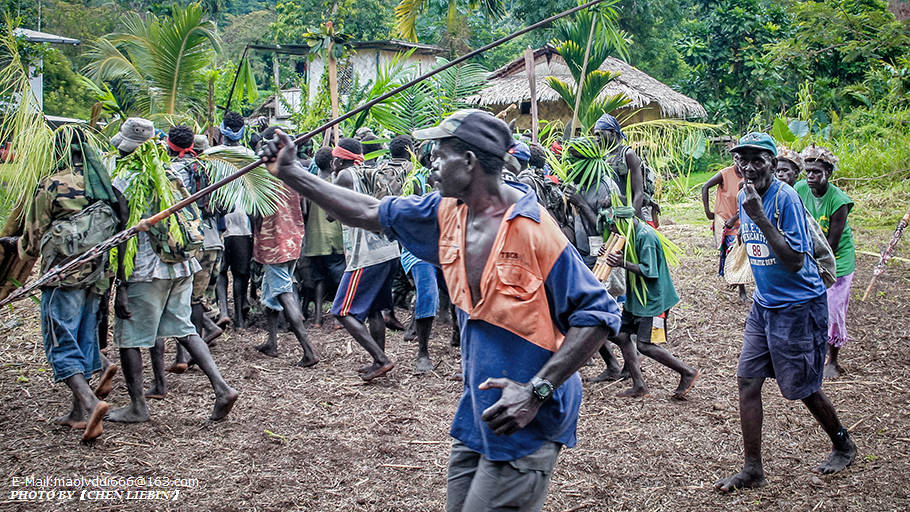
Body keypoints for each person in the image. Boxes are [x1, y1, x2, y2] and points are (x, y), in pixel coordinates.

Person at [259, 109, 621, 512]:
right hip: (477, 415)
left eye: (439, 154)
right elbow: (364, 211)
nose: (430, 164)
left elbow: (599, 313)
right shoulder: (445, 212)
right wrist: (290, 171)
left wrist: (536, 391)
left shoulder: (535, 230)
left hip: (525, 419)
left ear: (468, 162)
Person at [715, 133, 856, 493]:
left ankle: (843, 443)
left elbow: (794, 262)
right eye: (741, 159)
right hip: (765, 306)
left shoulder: (785, 198)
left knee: (802, 388)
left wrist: (760, 218)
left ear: (772, 163)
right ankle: (752, 469)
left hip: (798, 307)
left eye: (757, 159)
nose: (747, 167)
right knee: (747, 381)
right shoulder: (747, 195)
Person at [109, 119, 238, 423]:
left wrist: (122, 285)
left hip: (147, 269)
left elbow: (125, 232)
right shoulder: (169, 172)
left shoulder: (126, 179)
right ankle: (222, 388)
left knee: (129, 337)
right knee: (184, 328)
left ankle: (137, 406)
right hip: (182, 264)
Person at [1, 127, 119, 441]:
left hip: (61, 275)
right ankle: (78, 412)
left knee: (60, 340)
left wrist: (16, 248)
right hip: (97, 274)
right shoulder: (102, 182)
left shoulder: (52, 184)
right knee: (82, 335)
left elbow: (34, 236)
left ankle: (91, 403)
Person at [603, 206, 700, 398]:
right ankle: (639, 385)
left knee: (645, 345)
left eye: (614, 227)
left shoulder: (645, 237)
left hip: (654, 299)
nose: (612, 232)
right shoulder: (628, 234)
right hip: (636, 298)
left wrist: (622, 263)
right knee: (621, 335)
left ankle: (687, 372)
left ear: (624, 223)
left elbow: (650, 271)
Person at [329, 137, 400, 381]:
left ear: (339, 159)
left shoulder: (344, 176)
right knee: (374, 309)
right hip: (388, 249)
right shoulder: (366, 172)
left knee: (341, 311)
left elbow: (331, 214)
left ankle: (381, 359)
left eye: (335, 158)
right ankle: (378, 360)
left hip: (366, 254)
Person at [252, 128, 319, 368]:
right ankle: (271, 342)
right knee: (272, 289)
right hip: (292, 235)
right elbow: (304, 207)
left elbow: (255, 211)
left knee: (282, 290)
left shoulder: (264, 173)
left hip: (275, 240)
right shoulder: (295, 170)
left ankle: (308, 350)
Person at [164, 125, 223, 376]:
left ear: (169, 144)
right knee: (196, 299)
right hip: (213, 239)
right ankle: (193, 353)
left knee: (180, 300)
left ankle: (183, 354)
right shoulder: (209, 168)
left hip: (187, 242)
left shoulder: (170, 170)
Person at [795, 145, 855, 379]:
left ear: (828, 174)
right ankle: (810, 352)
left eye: (816, 173)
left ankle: (834, 360)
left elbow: (832, 243)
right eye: (808, 172)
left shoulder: (838, 201)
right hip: (811, 257)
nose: (811, 177)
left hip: (838, 261)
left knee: (833, 309)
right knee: (810, 306)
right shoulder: (799, 189)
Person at [303, 147, 346, 328]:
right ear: (332, 163)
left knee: (319, 278)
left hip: (314, 240)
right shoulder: (336, 184)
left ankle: (318, 318)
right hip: (334, 239)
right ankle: (337, 318)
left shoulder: (309, 185)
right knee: (338, 278)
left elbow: (304, 213)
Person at [593, 114, 651, 224]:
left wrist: (631, 217)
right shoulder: (604, 158)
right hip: (614, 215)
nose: (597, 139)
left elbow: (639, 192)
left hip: (629, 213)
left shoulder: (628, 154)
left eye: (600, 134)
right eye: (595, 135)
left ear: (612, 133)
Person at [701, 161, 747, 301]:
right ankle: (738, 284)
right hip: (724, 218)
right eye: (739, 159)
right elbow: (705, 187)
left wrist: (736, 217)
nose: (742, 163)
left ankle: (738, 281)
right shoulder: (725, 174)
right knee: (731, 249)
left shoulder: (750, 176)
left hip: (740, 218)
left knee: (739, 251)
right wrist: (708, 211)